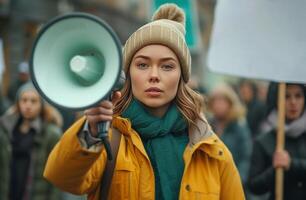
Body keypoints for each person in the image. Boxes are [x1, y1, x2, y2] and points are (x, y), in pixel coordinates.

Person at [43, 4, 245, 200]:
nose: (154, 75)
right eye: (142, 64)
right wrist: (91, 133)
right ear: (128, 74)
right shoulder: (108, 137)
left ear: (182, 77)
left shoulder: (211, 150)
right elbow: (62, 178)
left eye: (167, 66)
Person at [0, 82, 63, 200]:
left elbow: (57, 174)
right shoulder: (7, 129)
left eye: (33, 101)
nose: (28, 105)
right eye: (24, 100)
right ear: (18, 103)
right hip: (10, 191)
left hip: (36, 194)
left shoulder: (51, 133)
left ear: (41, 105)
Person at [248, 83, 306, 200]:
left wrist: (292, 164)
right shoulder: (264, 141)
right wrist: (275, 170)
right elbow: (253, 186)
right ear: (276, 100)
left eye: (298, 96)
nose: (293, 102)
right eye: (286, 96)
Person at [207, 84, 252, 185]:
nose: (218, 105)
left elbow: (245, 157)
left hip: (231, 181)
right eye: (215, 101)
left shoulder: (239, 127)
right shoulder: (206, 126)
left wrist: (237, 180)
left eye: (222, 101)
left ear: (230, 103)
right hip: (211, 182)